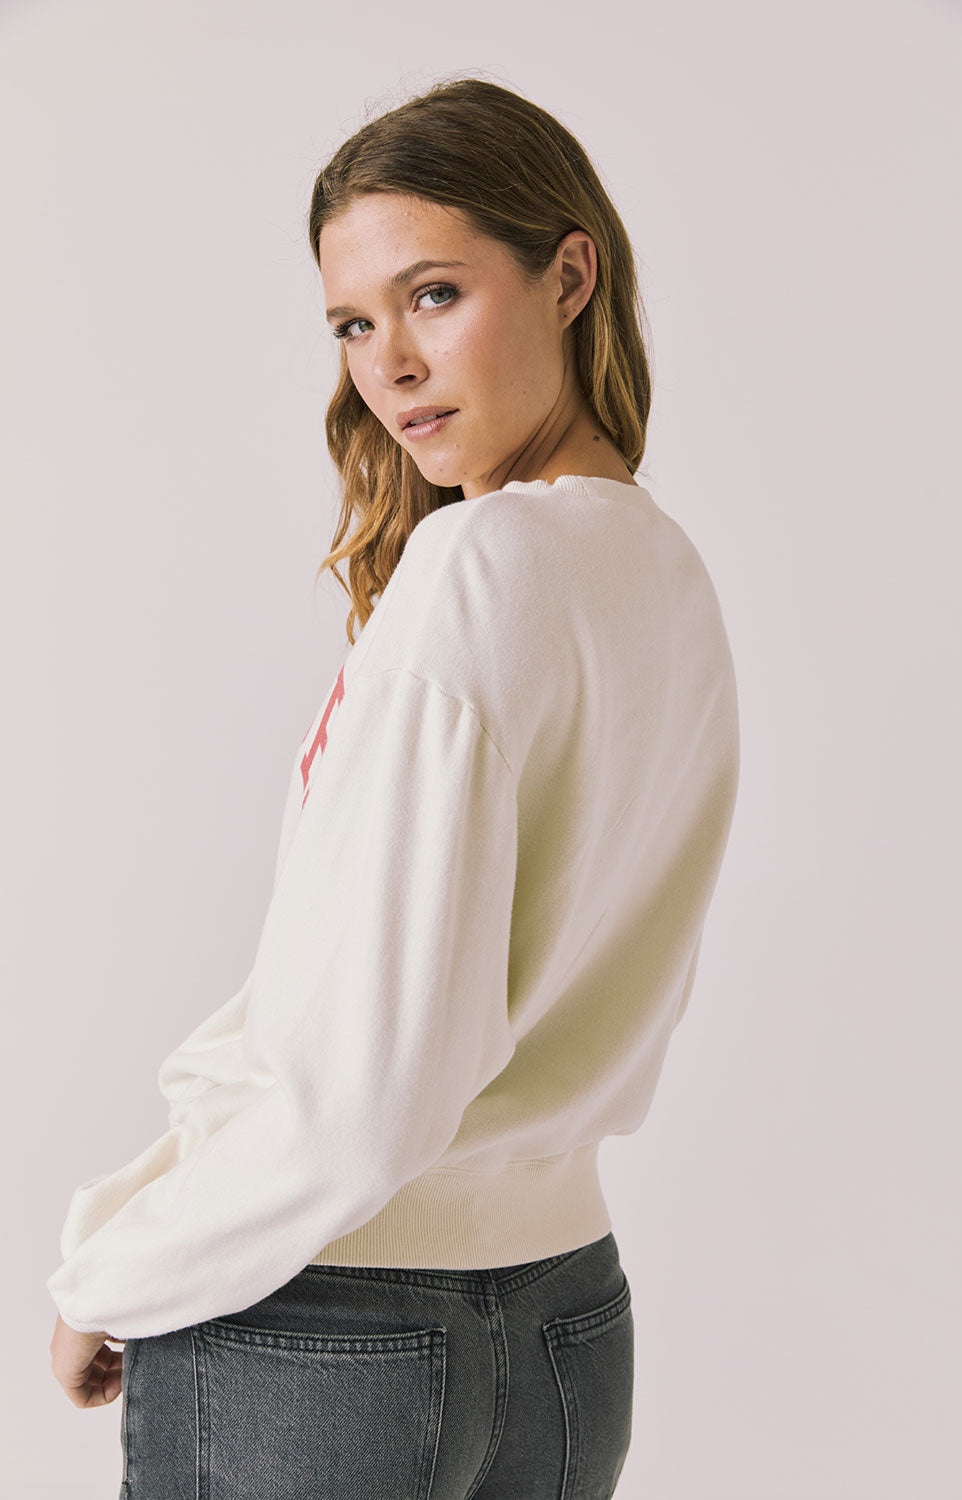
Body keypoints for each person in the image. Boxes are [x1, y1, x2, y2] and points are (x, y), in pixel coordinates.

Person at [47, 75, 740, 1498]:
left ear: (570, 273)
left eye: (433, 294)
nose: (392, 365)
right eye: (356, 324)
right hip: (565, 1322)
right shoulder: (664, 572)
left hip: (328, 1331)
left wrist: (119, 1264)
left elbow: (363, 1091)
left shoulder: (476, 570)